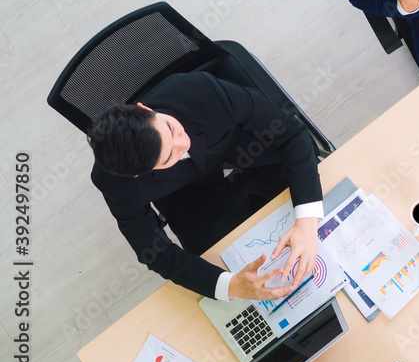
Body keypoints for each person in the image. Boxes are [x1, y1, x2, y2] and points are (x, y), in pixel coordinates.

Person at [88, 71, 324, 301]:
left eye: (171, 128)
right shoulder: (116, 184)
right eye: (170, 155)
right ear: (140, 174)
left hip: (253, 155)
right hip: (195, 200)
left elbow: (290, 133)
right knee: (226, 263)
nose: (184, 143)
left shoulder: (200, 90)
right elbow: (156, 254)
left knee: (323, 208)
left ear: (145, 109)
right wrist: (232, 286)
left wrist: (307, 222)